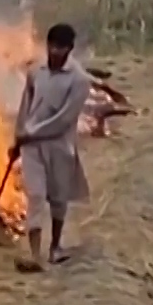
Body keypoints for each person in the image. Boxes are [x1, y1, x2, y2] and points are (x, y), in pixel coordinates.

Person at [9, 22, 92, 272]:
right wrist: (18, 136)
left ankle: (55, 247)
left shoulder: (79, 81)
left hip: (59, 146)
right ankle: (35, 256)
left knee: (58, 198)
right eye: (51, 46)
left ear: (69, 48)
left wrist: (31, 133)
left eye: (60, 47)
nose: (54, 51)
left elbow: (64, 119)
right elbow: (26, 107)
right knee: (35, 195)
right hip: (32, 147)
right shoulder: (36, 72)